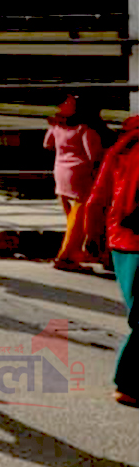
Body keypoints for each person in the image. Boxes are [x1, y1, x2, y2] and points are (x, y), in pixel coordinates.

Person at [79, 114, 139, 407]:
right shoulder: (126, 147)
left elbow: (98, 195)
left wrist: (93, 234)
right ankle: (127, 383)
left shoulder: (122, 146)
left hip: (122, 240)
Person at [47, 94, 107, 273]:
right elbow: (93, 155)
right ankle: (65, 257)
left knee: (72, 219)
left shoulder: (57, 126)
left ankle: (78, 253)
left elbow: (47, 144)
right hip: (80, 176)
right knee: (79, 220)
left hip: (60, 173)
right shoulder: (85, 129)